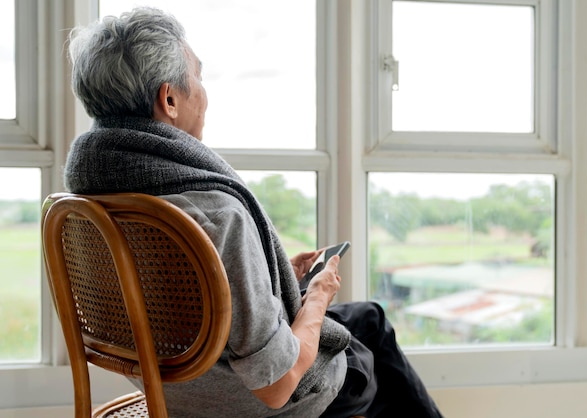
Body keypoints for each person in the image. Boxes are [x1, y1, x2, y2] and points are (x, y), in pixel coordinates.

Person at [64, 6, 444, 418]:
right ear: (169, 99)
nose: (204, 93)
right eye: (198, 77)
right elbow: (276, 384)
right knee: (365, 365)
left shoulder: (93, 201)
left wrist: (271, 277)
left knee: (369, 318)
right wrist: (317, 295)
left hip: (173, 389)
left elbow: (182, 302)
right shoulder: (215, 215)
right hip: (242, 400)